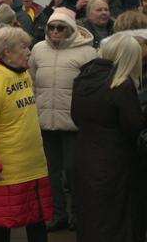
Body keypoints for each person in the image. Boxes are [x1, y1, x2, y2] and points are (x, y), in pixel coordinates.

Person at [0, 27, 53, 242]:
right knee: (2, 225)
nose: (29, 52)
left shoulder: (23, 73)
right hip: (6, 170)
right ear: (7, 52)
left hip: (32, 166)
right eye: (23, 47)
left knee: (37, 221)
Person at [28, 7, 97, 232]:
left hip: (73, 123)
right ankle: (57, 215)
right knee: (50, 173)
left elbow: (92, 87)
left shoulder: (87, 53)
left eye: (60, 27)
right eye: (51, 27)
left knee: (74, 171)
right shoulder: (38, 49)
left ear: (70, 29)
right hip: (44, 121)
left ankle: (79, 213)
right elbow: (31, 79)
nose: (55, 31)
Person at [71, 33, 144, 242]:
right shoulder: (122, 84)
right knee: (116, 218)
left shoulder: (82, 78)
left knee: (90, 214)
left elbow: (75, 116)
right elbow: (133, 126)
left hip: (85, 155)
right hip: (116, 161)